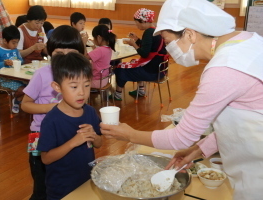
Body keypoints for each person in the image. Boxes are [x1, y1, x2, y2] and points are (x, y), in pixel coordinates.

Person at [100, 0, 263, 199]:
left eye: (168, 42)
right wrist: (199, 149)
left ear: (189, 34)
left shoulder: (224, 69)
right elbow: (243, 122)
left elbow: (181, 137)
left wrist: (130, 134)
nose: (170, 51)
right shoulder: (247, 40)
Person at [21, 25, 85, 200]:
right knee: (42, 186)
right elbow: (25, 105)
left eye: (70, 53)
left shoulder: (79, 75)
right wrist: (53, 108)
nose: (64, 59)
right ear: (49, 53)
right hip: (40, 136)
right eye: (58, 54)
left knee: (69, 183)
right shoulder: (42, 74)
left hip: (69, 136)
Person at [37, 52, 102, 200]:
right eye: (74, 87)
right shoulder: (52, 120)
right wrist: (73, 142)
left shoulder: (90, 112)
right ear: (57, 87)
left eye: (86, 85)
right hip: (61, 189)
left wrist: (94, 136)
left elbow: (99, 143)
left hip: (87, 181)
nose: (82, 93)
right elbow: (46, 158)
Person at [110, 8, 168, 101]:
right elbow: (148, 47)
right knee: (134, 62)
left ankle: (118, 94)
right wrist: (137, 40)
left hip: (151, 72)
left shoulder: (148, 32)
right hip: (160, 70)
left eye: (136, 22)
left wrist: (134, 44)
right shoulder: (155, 30)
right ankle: (141, 90)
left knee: (120, 68)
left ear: (142, 21)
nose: (136, 25)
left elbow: (144, 53)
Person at [0, 25, 25, 114]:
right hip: (5, 79)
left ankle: (18, 99)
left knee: (32, 86)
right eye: (13, 42)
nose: (16, 45)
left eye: (17, 42)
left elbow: (21, 60)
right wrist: (4, 63)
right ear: (5, 40)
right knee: (23, 89)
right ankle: (17, 100)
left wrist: (18, 61)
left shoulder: (15, 50)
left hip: (17, 76)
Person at [86, 24, 116, 88]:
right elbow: (98, 55)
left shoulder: (99, 50)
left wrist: (83, 42)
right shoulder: (108, 48)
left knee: (80, 81)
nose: (93, 40)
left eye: (94, 38)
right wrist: (93, 46)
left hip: (97, 81)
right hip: (105, 79)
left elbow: (84, 57)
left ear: (99, 38)